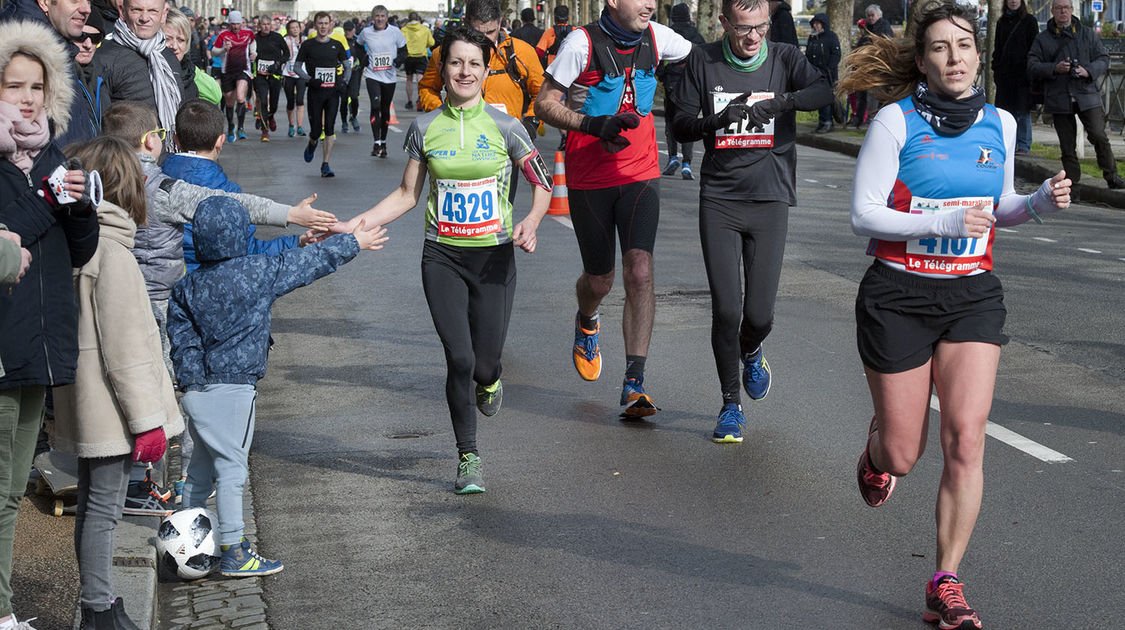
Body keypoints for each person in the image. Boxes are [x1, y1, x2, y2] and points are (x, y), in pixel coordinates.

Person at [838, 2, 1071, 627]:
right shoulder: (894, 122)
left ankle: (945, 580)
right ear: (923, 60)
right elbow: (864, 214)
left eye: (964, 46)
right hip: (899, 296)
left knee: (967, 438)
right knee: (904, 454)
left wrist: (1039, 204)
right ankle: (876, 454)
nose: (955, 58)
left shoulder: (999, 122)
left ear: (978, 53)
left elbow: (1000, 208)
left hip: (971, 292)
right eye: (940, 48)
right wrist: (938, 220)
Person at [335, 26, 551, 494]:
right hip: (443, 257)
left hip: (493, 261)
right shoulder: (425, 127)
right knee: (459, 357)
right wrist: (352, 225)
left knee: (485, 365)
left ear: (486, 68)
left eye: (474, 63)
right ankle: (468, 456)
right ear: (444, 68)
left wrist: (531, 221)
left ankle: (489, 381)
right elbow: (406, 195)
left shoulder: (507, 126)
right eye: (456, 63)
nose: (465, 71)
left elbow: (543, 184)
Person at [168, 197, 386, 578]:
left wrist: (191, 384)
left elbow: (181, 340)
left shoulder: (186, 287)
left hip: (197, 392)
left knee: (201, 470)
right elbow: (309, 264)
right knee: (233, 470)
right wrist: (355, 242)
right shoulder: (257, 272)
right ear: (240, 235)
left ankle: (183, 541)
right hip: (235, 389)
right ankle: (234, 548)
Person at [671, 0, 831, 442]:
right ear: (724, 23)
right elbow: (680, 124)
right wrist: (715, 121)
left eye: (760, 27)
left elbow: (824, 92)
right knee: (726, 309)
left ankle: (753, 348)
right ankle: (729, 406)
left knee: (758, 315)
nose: (753, 37)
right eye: (743, 29)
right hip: (720, 199)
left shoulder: (783, 57)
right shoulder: (702, 59)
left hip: (769, 199)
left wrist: (782, 103)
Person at [534, 0, 693, 416]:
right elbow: (544, 103)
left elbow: (707, 59)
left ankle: (634, 382)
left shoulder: (660, 38)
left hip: (641, 173)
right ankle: (587, 319)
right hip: (590, 178)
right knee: (600, 280)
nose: (650, 4)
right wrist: (589, 123)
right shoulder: (580, 44)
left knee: (639, 270)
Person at [51, 135, 183, 630]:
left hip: (82, 398)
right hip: (111, 404)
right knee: (105, 511)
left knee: (91, 505)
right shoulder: (116, 254)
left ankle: (99, 602)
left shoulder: (78, 244)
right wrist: (148, 421)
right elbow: (127, 351)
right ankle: (98, 608)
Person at [0, 20, 100, 630]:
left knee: (12, 490)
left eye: (38, 86)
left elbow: (78, 251)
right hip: (3, 336)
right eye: (15, 86)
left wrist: (79, 204)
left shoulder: (53, 154)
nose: (29, 98)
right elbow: (8, 238)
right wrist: (43, 198)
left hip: (39, 338)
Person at [418, 0, 544, 144]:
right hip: (457, 139)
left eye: (491, 31)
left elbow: (542, 92)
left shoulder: (523, 52)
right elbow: (427, 87)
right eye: (478, 32)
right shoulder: (444, 53)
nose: (485, 39)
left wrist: (531, 124)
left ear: (500, 22)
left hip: (507, 143)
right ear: (465, 22)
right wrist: (441, 118)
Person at [1029, 0, 1125, 188]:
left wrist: (1088, 71)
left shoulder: (1086, 34)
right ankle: (1073, 183)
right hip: (1058, 96)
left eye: (1066, 8)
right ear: (1052, 11)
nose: (1063, 11)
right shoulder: (1043, 39)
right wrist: (1054, 68)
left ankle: (1112, 176)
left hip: (1086, 93)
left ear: (1072, 10)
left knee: (1098, 135)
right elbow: (1032, 65)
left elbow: (1103, 58)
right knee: (1067, 145)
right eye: (1059, 8)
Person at [0, 0, 101, 146]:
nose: (87, 9)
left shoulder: (56, 44)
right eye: (74, 1)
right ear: (44, 2)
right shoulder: (22, 48)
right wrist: (58, 168)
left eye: (88, 1)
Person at [91, 0, 186, 152]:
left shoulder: (168, 56)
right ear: (122, 11)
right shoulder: (104, 58)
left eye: (153, 11)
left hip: (172, 159)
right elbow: (98, 125)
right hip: (129, 164)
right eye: (136, 10)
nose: (145, 18)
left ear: (164, 14)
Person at [295, 11, 350, 178]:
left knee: (330, 128)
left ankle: (325, 164)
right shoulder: (308, 45)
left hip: (333, 92)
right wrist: (310, 79)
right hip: (315, 92)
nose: (323, 26)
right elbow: (297, 67)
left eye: (326, 23)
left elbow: (348, 66)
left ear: (331, 24)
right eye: (320, 23)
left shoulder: (337, 44)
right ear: (315, 25)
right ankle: (312, 143)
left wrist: (343, 82)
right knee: (316, 130)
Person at [659, 2, 705, 180]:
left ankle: (672, 157)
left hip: (672, 80)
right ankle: (687, 162)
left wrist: (662, 75)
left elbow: (657, 56)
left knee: (671, 121)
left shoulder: (668, 34)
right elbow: (704, 58)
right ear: (688, 16)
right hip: (691, 84)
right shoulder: (696, 35)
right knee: (688, 121)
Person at [357, 5, 406, 158]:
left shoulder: (395, 32)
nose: (379, 19)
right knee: (375, 105)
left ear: (387, 17)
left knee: (385, 110)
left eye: (382, 16)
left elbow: (405, 51)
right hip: (372, 76)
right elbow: (357, 47)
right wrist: (363, 59)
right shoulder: (366, 32)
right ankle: (376, 141)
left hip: (389, 77)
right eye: (376, 16)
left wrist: (397, 60)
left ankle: (383, 142)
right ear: (373, 18)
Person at [993, 0, 1038, 154]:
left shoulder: (1029, 21)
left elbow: (1035, 47)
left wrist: (1030, 68)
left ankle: (1024, 145)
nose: (1013, 1)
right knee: (1005, 112)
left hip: (1023, 75)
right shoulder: (1001, 22)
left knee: (1022, 111)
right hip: (1005, 75)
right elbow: (997, 47)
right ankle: (1007, 144)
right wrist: (996, 68)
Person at [212, 10, 255, 142]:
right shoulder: (223, 35)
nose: (236, 27)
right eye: (233, 24)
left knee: (241, 97)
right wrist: (224, 50)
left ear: (241, 23)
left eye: (238, 24)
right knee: (230, 101)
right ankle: (231, 126)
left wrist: (254, 53)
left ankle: (241, 128)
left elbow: (253, 43)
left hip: (243, 70)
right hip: (227, 71)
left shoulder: (248, 33)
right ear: (230, 23)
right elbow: (214, 52)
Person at [252, 16, 288, 142]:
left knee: (274, 105)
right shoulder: (255, 38)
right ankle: (264, 130)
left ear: (271, 25)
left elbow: (287, 54)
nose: (266, 26)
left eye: (268, 24)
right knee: (262, 101)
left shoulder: (277, 37)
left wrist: (277, 64)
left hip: (274, 74)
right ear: (259, 26)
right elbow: (250, 54)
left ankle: (271, 116)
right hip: (260, 75)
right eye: (263, 24)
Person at [804, 12, 840, 133]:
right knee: (818, 98)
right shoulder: (812, 37)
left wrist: (829, 67)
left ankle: (828, 122)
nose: (815, 26)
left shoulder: (831, 36)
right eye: (814, 23)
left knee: (826, 98)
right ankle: (822, 121)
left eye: (818, 23)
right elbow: (808, 54)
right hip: (815, 73)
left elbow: (836, 54)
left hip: (827, 73)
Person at [401, 11, 434, 110]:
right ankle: (420, 98)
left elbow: (401, 43)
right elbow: (431, 43)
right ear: (418, 19)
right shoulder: (425, 29)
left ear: (409, 19)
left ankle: (409, 101)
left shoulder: (404, 30)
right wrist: (423, 45)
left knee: (409, 79)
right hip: (421, 55)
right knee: (420, 78)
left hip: (409, 56)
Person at [338, 20, 366, 135]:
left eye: (350, 30)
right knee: (344, 99)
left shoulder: (357, 42)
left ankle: (353, 116)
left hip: (355, 73)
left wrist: (362, 67)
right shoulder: (340, 42)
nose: (348, 32)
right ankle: (344, 121)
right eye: (346, 30)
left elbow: (364, 55)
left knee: (354, 97)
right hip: (343, 73)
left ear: (354, 30)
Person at [281, 18, 307, 136]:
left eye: (297, 27)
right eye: (292, 28)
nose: (295, 29)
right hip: (288, 73)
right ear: (288, 29)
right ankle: (291, 125)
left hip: (301, 73)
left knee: (300, 100)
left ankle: (300, 126)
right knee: (290, 101)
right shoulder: (285, 40)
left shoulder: (305, 40)